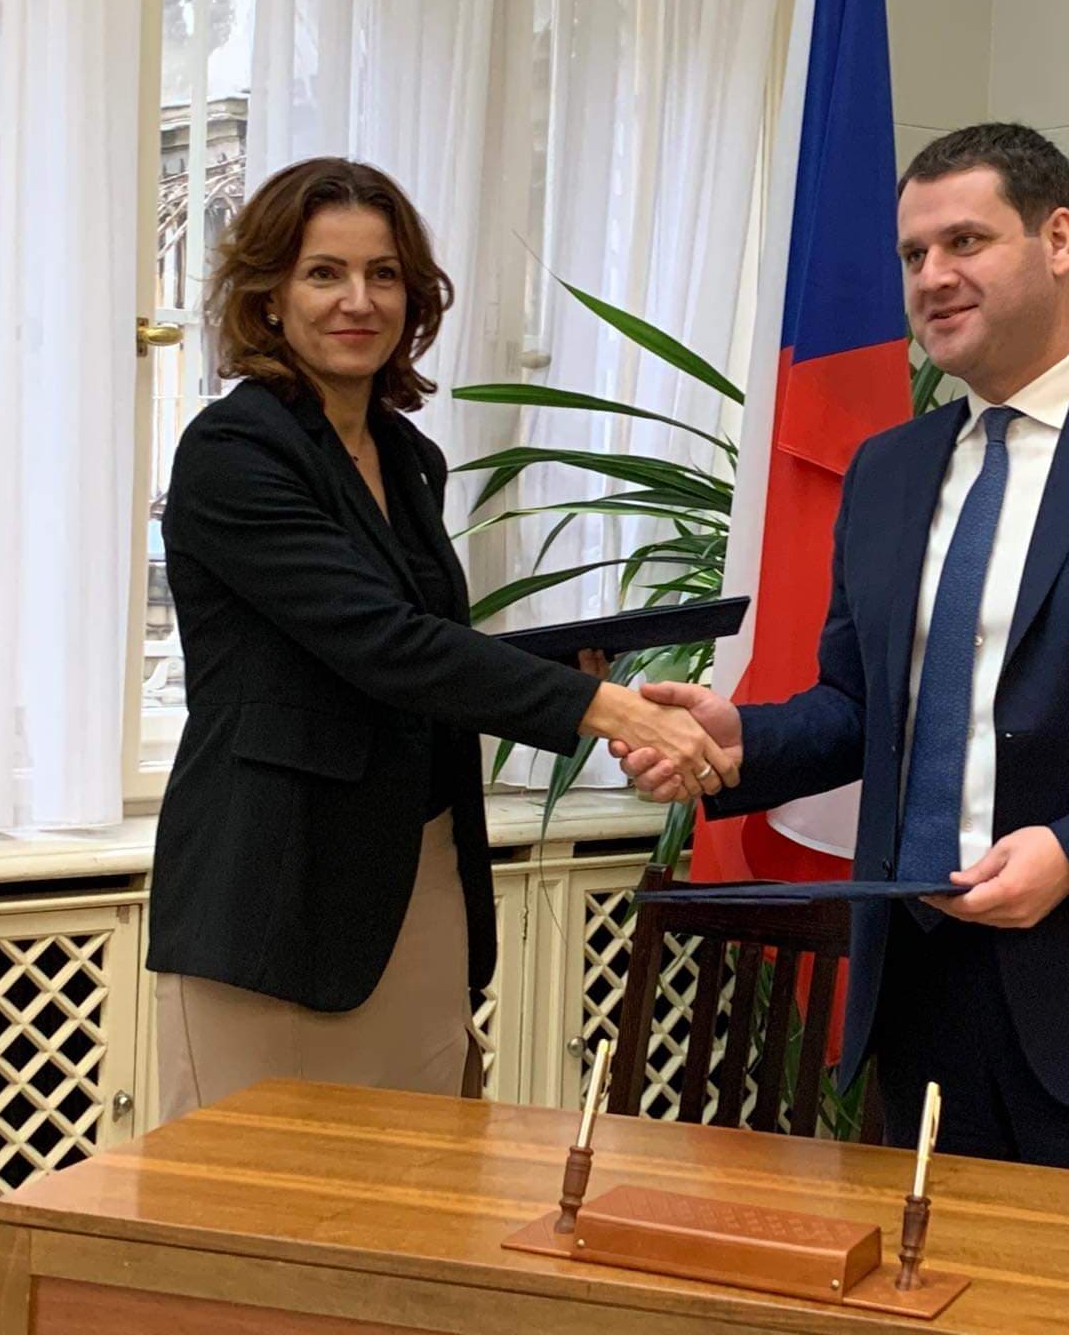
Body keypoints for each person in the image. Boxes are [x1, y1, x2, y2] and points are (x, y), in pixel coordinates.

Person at [615, 124, 1069, 1187]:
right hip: (924, 1003)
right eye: (913, 254)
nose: (932, 277)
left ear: (1058, 239)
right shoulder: (889, 471)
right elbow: (863, 708)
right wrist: (740, 741)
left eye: (964, 242)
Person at [148, 157, 736, 1122]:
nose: (359, 300)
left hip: (416, 872)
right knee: (260, 1194)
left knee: (416, 1186)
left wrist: (559, 668)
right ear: (268, 297)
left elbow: (417, 649)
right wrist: (607, 709)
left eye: (383, 274)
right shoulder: (232, 450)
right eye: (324, 273)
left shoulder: (409, 455)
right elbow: (379, 643)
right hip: (276, 889)